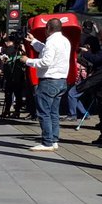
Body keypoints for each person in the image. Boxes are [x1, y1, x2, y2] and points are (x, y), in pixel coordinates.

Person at [23, 18, 71, 151]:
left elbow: (46, 61)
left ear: (48, 28)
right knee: (54, 112)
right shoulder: (64, 40)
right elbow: (46, 50)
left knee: (44, 112)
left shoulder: (52, 42)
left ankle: (47, 142)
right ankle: (54, 139)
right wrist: (34, 41)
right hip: (61, 79)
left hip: (49, 80)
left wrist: (28, 61)